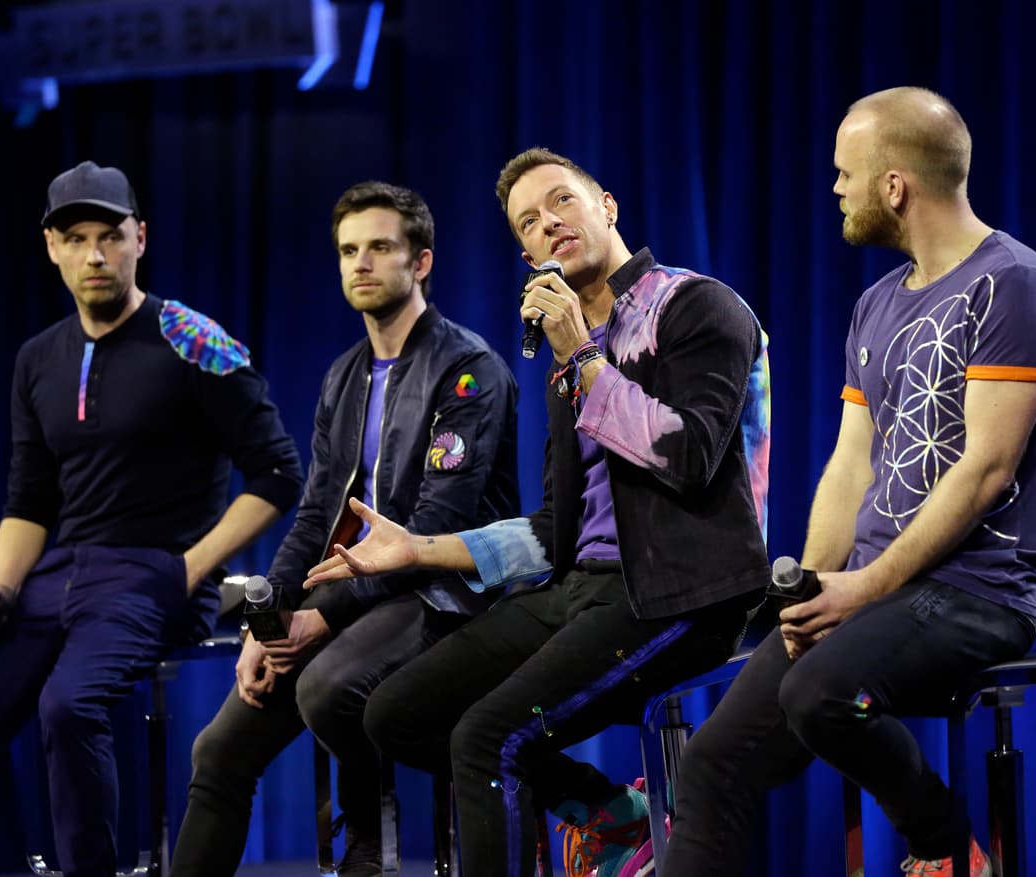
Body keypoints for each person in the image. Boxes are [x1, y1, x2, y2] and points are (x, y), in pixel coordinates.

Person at [304, 148, 773, 877]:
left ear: (607, 205)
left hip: (682, 590)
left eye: (562, 202)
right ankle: (614, 817)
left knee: (489, 738)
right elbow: (553, 527)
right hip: (580, 587)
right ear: (523, 254)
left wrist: (582, 355)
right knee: (394, 711)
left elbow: (688, 456)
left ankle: (614, 824)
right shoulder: (565, 353)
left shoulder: (694, 305)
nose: (548, 223)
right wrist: (420, 550)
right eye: (529, 220)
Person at [661, 87, 1036, 877]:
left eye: (846, 173)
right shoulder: (877, 302)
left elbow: (986, 469)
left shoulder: (1013, 282)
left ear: (895, 186)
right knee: (713, 758)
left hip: (976, 591)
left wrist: (865, 585)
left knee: (819, 692)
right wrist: (812, 588)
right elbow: (853, 463)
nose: (836, 189)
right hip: (874, 591)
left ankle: (943, 841)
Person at [0, 161, 305, 877]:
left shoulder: (191, 338)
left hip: (152, 572)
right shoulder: (39, 358)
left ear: (140, 239)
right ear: (51, 247)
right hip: (57, 576)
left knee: (68, 707)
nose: (95, 254)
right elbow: (29, 501)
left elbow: (281, 472)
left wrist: (188, 568)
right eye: (77, 238)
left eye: (110, 236)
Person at [168, 181, 520, 877]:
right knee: (217, 752)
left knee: (326, 687)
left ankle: (370, 838)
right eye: (348, 250)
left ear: (420, 262)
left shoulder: (469, 370)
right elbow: (313, 514)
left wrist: (317, 619)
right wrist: (266, 620)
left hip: (443, 592)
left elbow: (436, 526)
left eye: (380, 247)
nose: (361, 263)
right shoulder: (344, 375)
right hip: (353, 598)